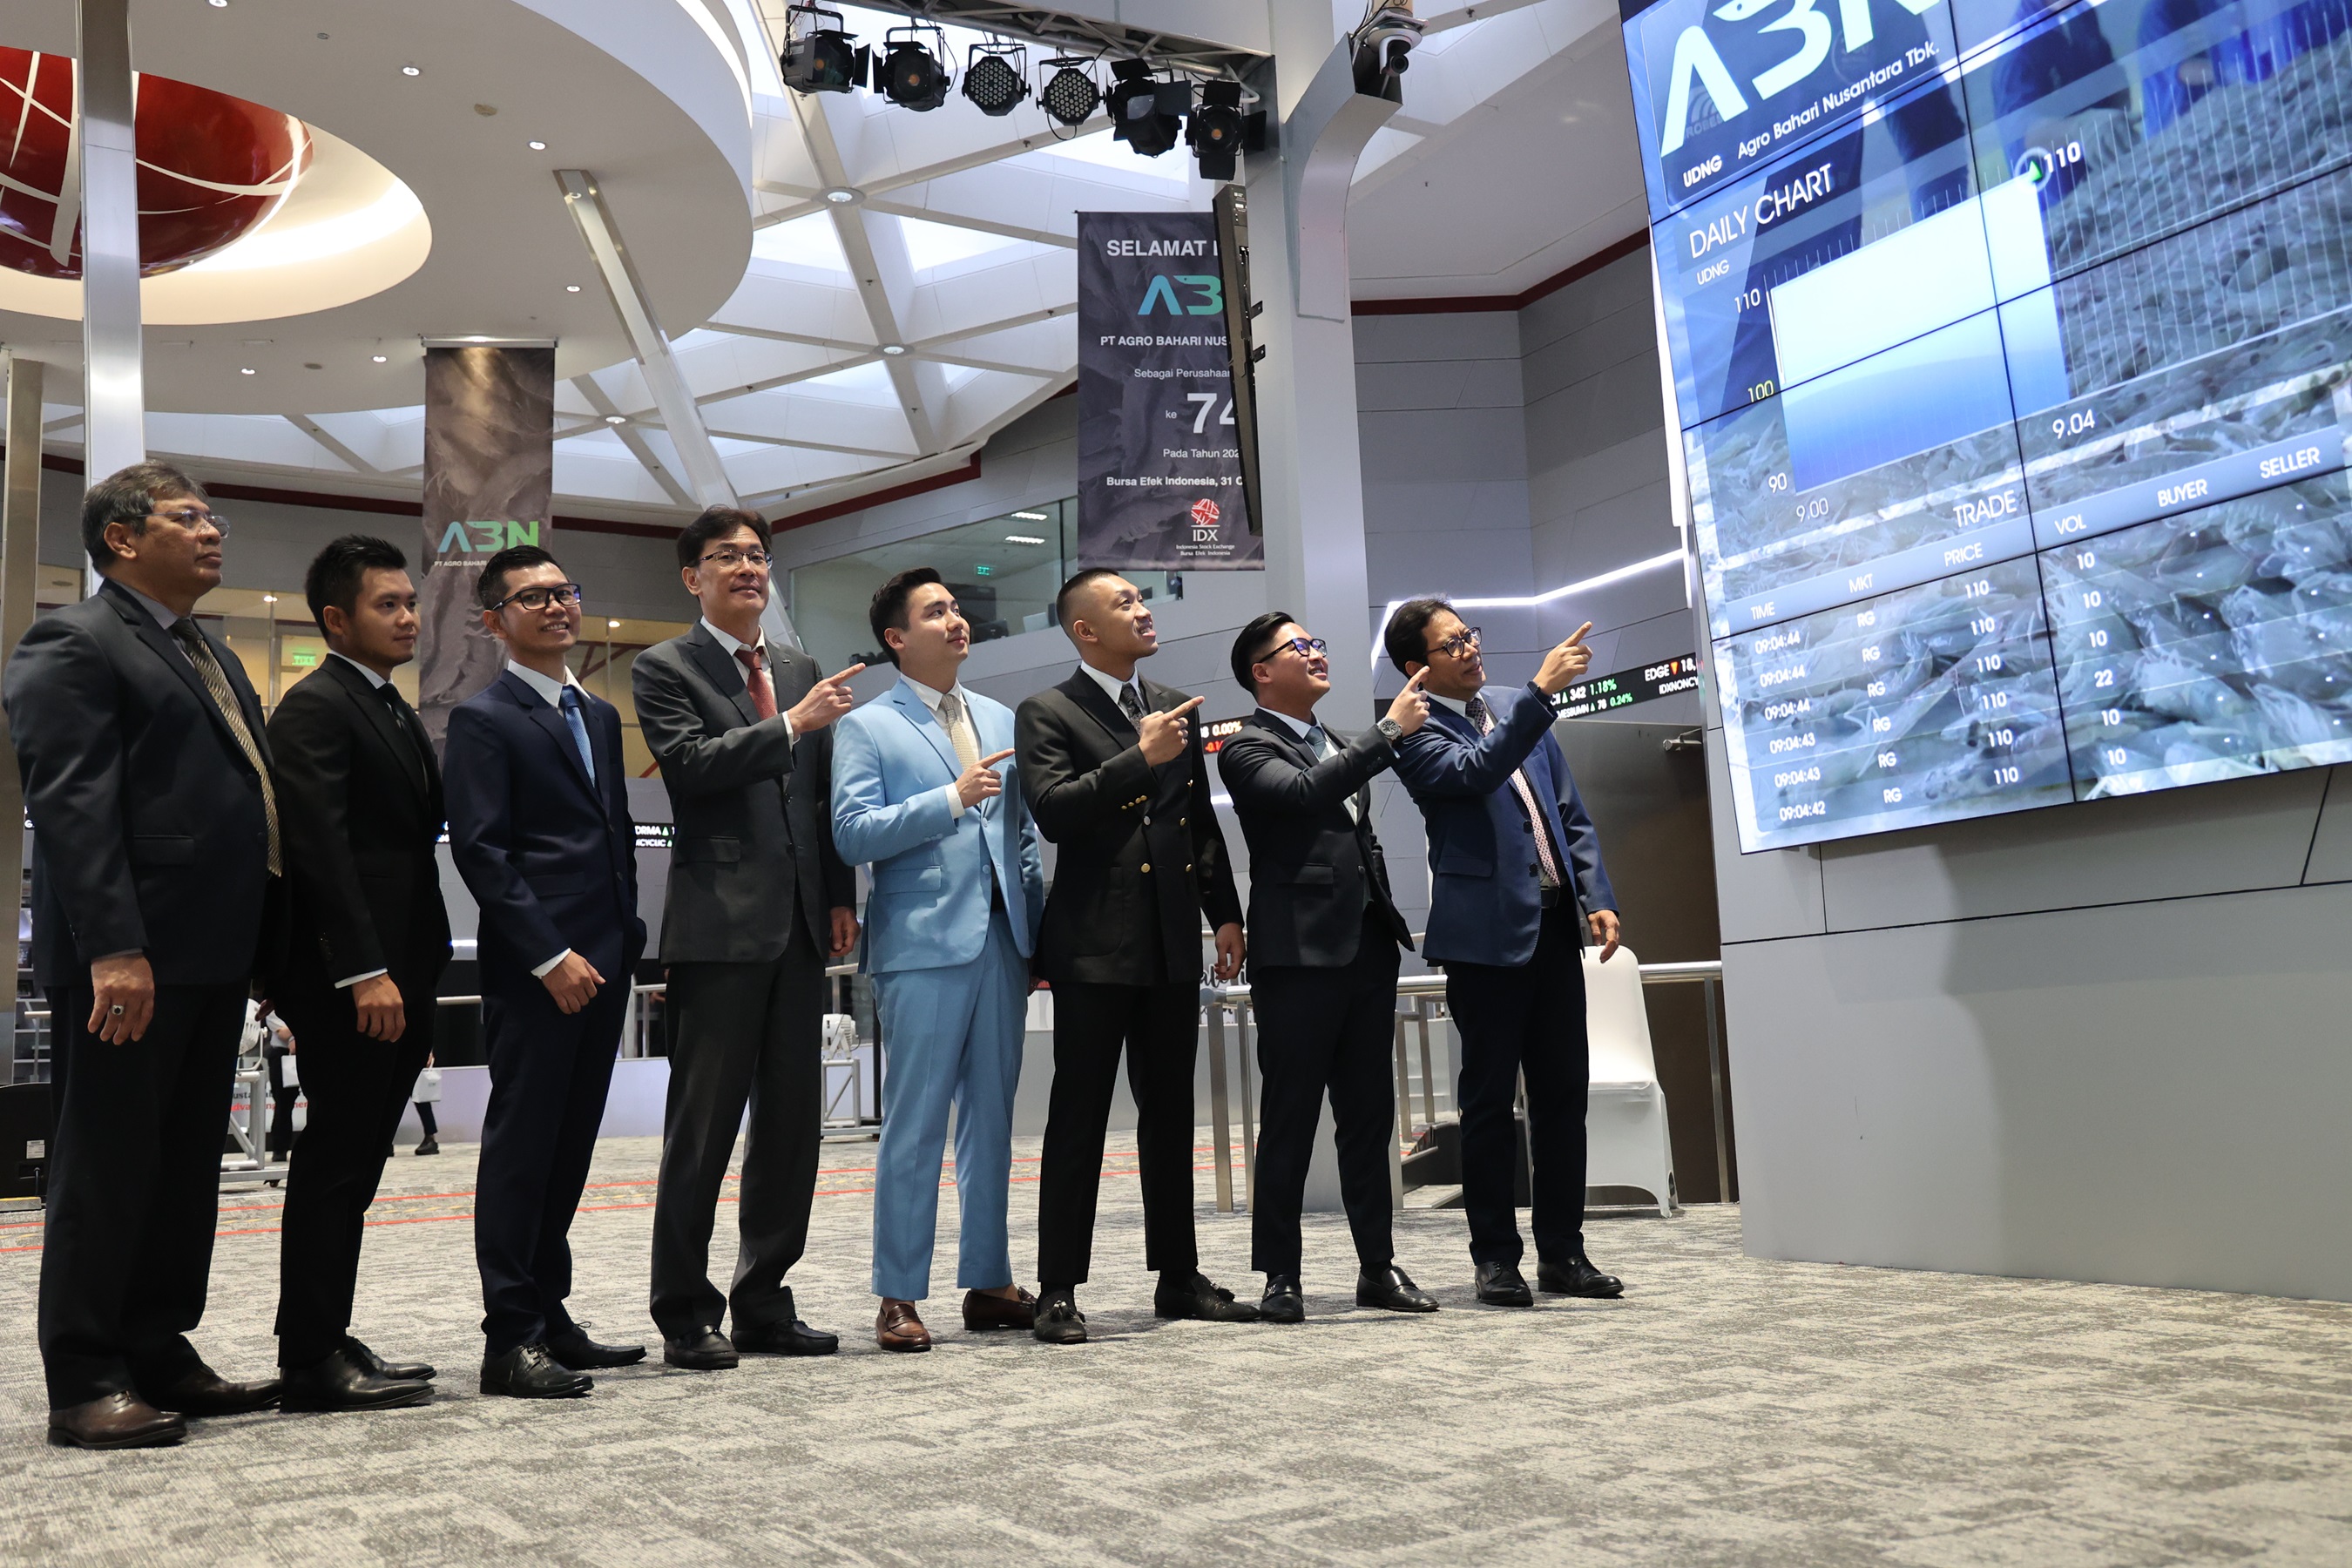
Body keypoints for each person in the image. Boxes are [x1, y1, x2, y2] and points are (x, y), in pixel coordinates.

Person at [3, 462, 284, 1450]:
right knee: (108, 1169)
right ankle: (85, 1377)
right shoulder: (74, 641)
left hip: (210, 952)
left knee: (181, 1172)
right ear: (121, 538)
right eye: (187, 517)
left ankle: (158, 1348)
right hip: (129, 960)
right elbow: (71, 807)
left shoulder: (209, 649)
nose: (212, 533)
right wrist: (115, 947)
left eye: (214, 517)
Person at [632, 507, 862, 1371]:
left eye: (758, 555)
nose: (748, 568)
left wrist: (838, 894)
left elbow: (820, 798)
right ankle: (685, 1312)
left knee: (792, 1131)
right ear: (692, 577)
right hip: (717, 929)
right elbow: (691, 768)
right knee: (702, 1133)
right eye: (726, 556)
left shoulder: (797, 669)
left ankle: (765, 1300)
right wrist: (791, 725)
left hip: (800, 927)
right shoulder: (664, 666)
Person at [1016, 569, 1250, 1345]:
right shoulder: (1047, 709)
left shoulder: (1173, 702)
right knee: (1078, 1119)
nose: (1144, 611)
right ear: (1084, 629)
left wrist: (1225, 914)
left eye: (1142, 600)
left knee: (1171, 1113)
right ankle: (1057, 1288)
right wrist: (1139, 758)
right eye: (1125, 603)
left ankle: (1177, 1276)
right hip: (1092, 945)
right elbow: (1054, 813)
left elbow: (1198, 825)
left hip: (1171, 940)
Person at [445, 545, 648, 1398]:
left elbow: (612, 834)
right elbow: (483, 854)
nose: (558, 606)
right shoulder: (483, 719)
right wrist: (549, 955)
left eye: (565, 591)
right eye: (534, 598)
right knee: (522, 1151)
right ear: (495, 621)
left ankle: (551, 1314)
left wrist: (625, 936)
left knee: (569, 1149)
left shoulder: (597, 713)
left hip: (606, 958)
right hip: (539, 969)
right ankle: (511, 1337)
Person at [1384, 600, 1626, 1307]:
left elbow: (1570, 812)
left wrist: (1596, 893)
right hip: (1484, 940)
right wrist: (1541, 693)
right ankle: (1495, 1258)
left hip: (1553, 928)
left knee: (1562, 1097)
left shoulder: (1513, 708)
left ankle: (1564, 1254)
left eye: (1469, 635)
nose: (1469, 649)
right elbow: (1476, 772)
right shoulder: (1416, 730)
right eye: (1451, 644)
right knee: (1489, 1104)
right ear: (1416, 667)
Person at [831, 569, 1044, 1352]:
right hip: (921, 945)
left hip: (1002, 943)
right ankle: (898, 1294)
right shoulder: (868, 725)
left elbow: (1019, 834)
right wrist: (951, 798)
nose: (956, 620)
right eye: (935, 612)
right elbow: (852, 833)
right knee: (915, 1124)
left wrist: (1035, 931)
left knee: (992, 1122)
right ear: (896, 638)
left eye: (956, 608)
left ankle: (989, 1282)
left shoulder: (998, 716)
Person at [266, 534, 452, 1411]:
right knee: (335, 1161)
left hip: (404, 969)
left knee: (361, 1159)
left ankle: (329, 1333)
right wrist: (363, 970)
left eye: (411, 602)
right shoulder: (315, 707)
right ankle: (308, 1357)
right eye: (389, 605)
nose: (409, 617)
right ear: (337, 620)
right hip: (355, 981)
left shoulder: (386, 704)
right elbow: (319, 853)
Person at [1216, 614, 1440, 1321]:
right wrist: (1390, 730)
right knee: (1290, 1117)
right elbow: (1301, 795)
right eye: (1299, 647)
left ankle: (1378, 1266)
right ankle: (1281, 1274)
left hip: (1367, 947)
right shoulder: (1246, 746)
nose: (1316, 653)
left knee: (1369, 1118)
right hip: (1297, 954)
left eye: (1316, 644)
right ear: (1261, 671)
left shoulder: (1341, 741)